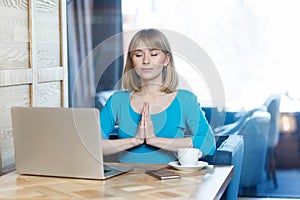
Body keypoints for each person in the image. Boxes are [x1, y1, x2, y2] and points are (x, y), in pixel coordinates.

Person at [100, 28, 216, 164]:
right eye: (138, 55)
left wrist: (154, 140)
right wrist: (135, 140)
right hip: (125, 181)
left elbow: (209, 143)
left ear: (166, 59)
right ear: (132, 62)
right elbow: (92, 145)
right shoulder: (117, 100)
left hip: (169, 181)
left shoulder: (185, 100)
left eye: (153, 54)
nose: (146, 61)